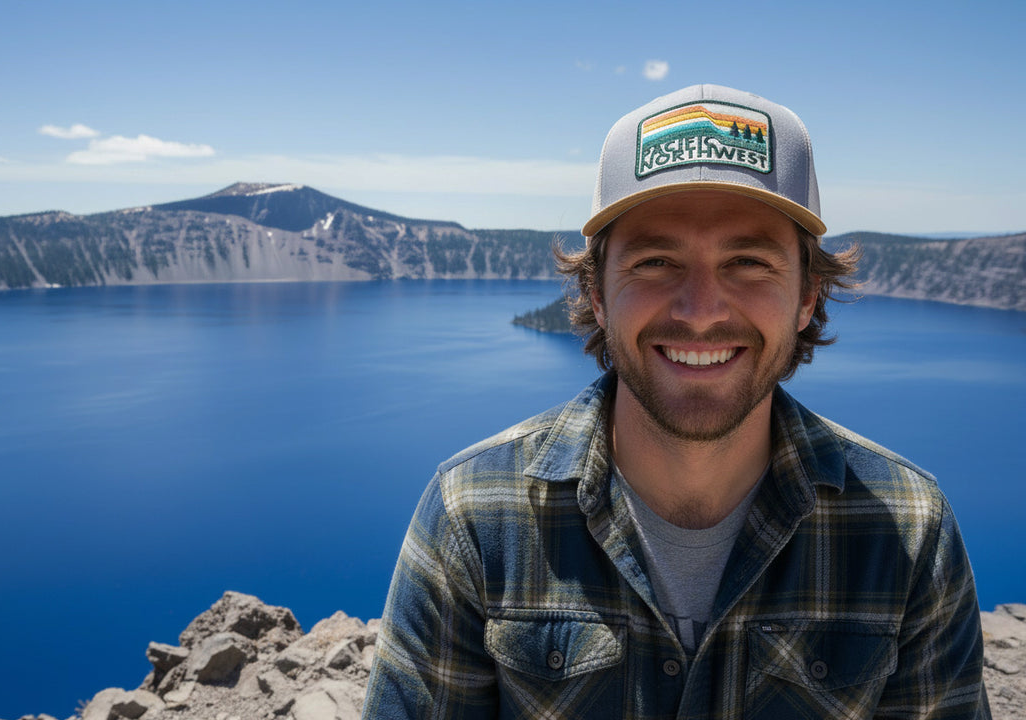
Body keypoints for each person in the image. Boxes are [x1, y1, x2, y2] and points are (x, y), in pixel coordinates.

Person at [362, 84, 990, 718]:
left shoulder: (909, 531)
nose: (700, 312)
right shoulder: (473, 515)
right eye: (656, 261)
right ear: (598, 294)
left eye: (748, 261)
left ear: (806, 296)